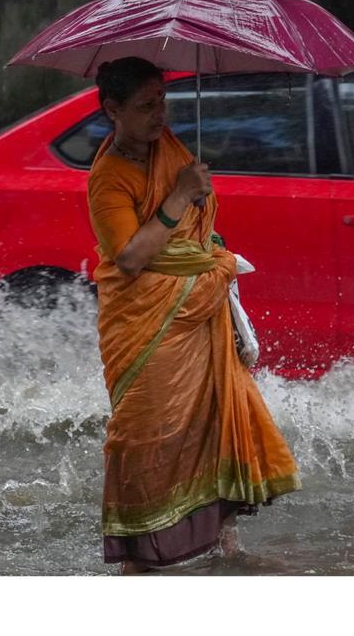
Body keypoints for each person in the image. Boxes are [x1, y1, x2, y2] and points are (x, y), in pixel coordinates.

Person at [87, 56, 301, 574]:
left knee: (212, 417)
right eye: (145, 106)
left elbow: (197, 231)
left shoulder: (172, 150)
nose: (159, 114)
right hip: (146, 318)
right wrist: (182, 195)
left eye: (163, 101)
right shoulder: (108, 177)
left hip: (199, 304)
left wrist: (200, 221)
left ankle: (225, 543)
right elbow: (133, 257)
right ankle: (138, 561)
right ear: (113, 110)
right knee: (143, 434)